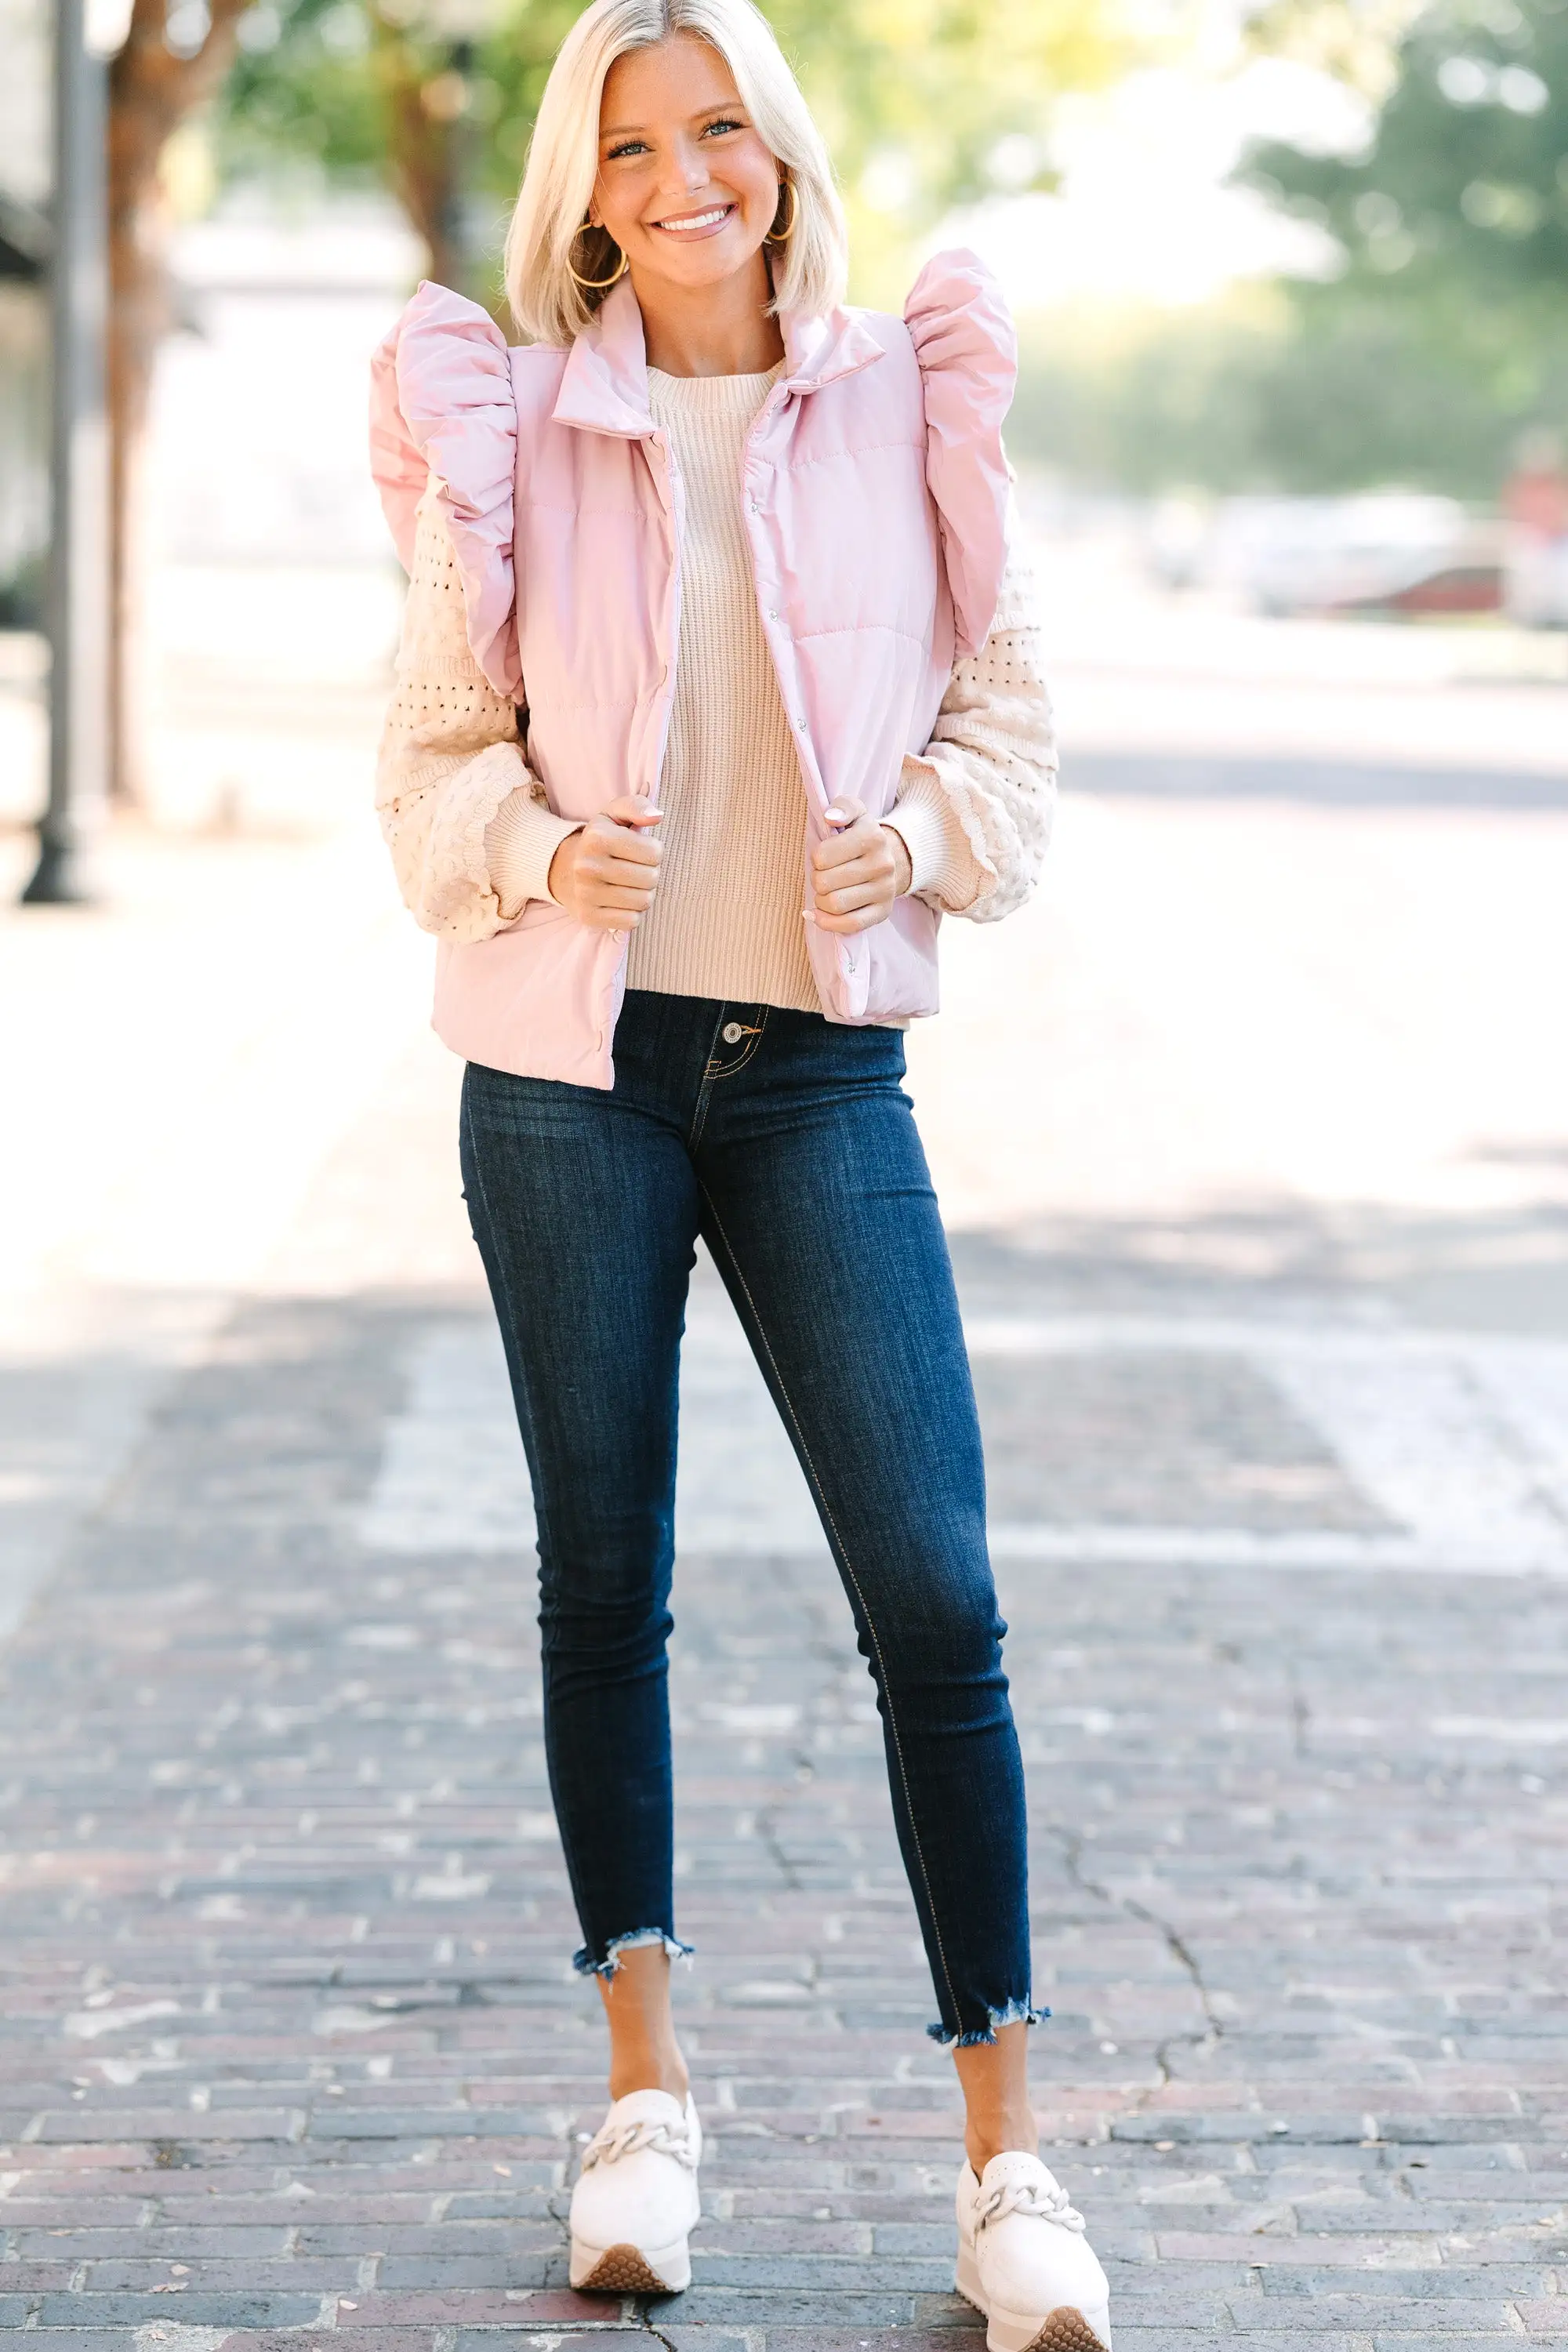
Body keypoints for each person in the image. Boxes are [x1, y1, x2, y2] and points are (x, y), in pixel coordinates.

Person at [369, 2, 1109, 2344]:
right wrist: (527, 839)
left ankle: (1010, 2164)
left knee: (938, 1592)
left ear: (779, 151)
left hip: (815, 1082)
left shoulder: (909, 391)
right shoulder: (504, 422)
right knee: (609, 1580)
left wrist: (924, 836)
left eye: (725, 130)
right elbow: (420, 767)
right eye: (639, 144)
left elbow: (1011, 717)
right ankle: (642, 2103)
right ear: (586, 193)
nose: (689, 176)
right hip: (569, 1082)